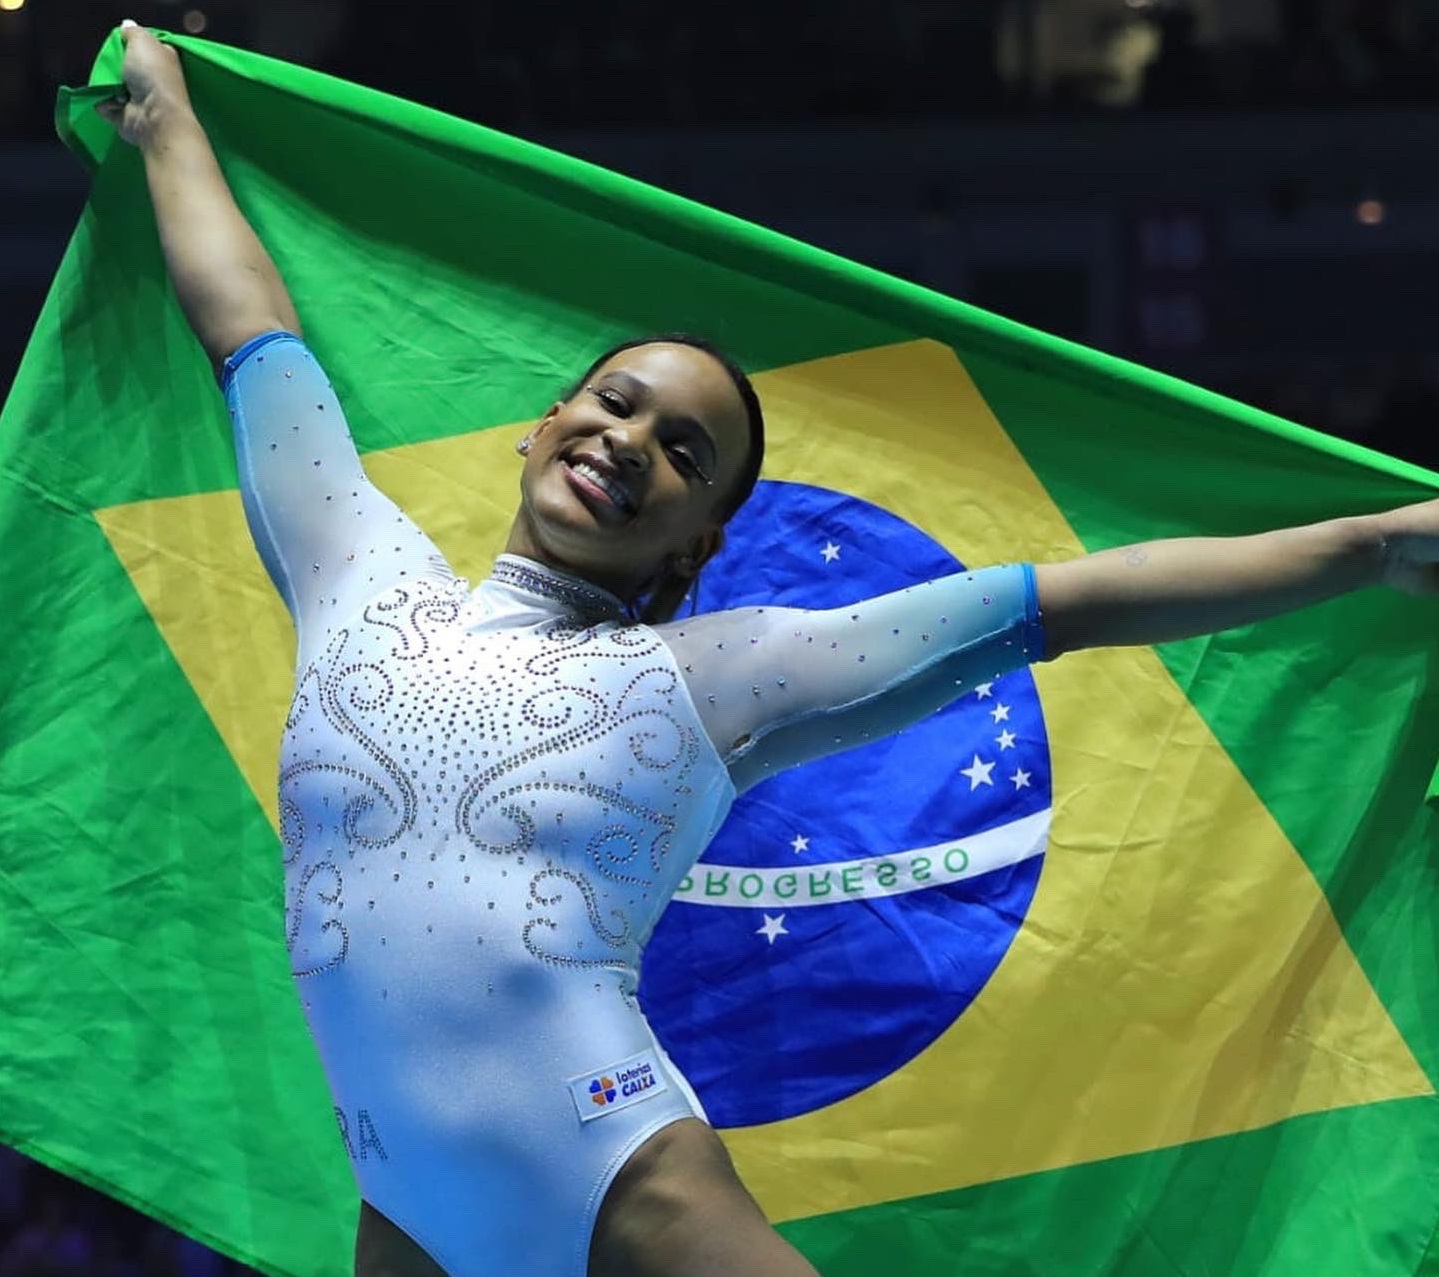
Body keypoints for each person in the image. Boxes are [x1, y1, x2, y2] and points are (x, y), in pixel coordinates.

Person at [98, 20, 1438, 1277]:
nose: (632, 441)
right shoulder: (356, 568)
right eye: (617, 403)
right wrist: (161, 107)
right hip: (404, 1211)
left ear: (694, 545)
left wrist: (1374, 542)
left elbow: (1065, 602)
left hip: (618, 1165)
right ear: (543, 422)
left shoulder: (715, 678)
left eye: (685, 452)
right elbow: (250, 329)